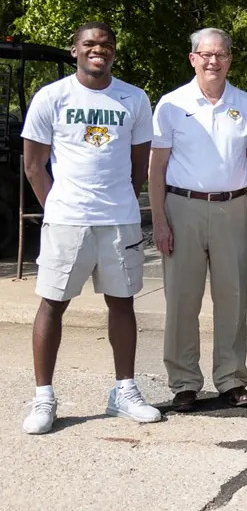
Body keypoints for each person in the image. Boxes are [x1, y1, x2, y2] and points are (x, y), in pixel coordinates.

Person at [19, 22, 162, 434]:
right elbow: (33, 165)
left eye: (105, 44)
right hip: (67, 219)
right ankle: (44, 397)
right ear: (75, 50)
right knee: (52, 303)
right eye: (89, 44)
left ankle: (124, 392)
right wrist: (58, 208)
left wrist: (121, 199)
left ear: (113, 52)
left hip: (118, 219)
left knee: (122, 303)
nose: (98, 50)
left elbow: (139, 164)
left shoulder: (134, 98)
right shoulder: (52, 97)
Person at [150, 27, 247, 411]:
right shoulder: (171, 104)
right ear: (193, 59)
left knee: (232, 297)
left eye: (220, 54)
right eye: (206, 54)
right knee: (182, 299)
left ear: (230, 59)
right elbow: (157, 168)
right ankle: (184, 382)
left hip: (233, 208)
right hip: (182, 207)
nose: (213, 61)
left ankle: (231, 379)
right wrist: (159, 221)